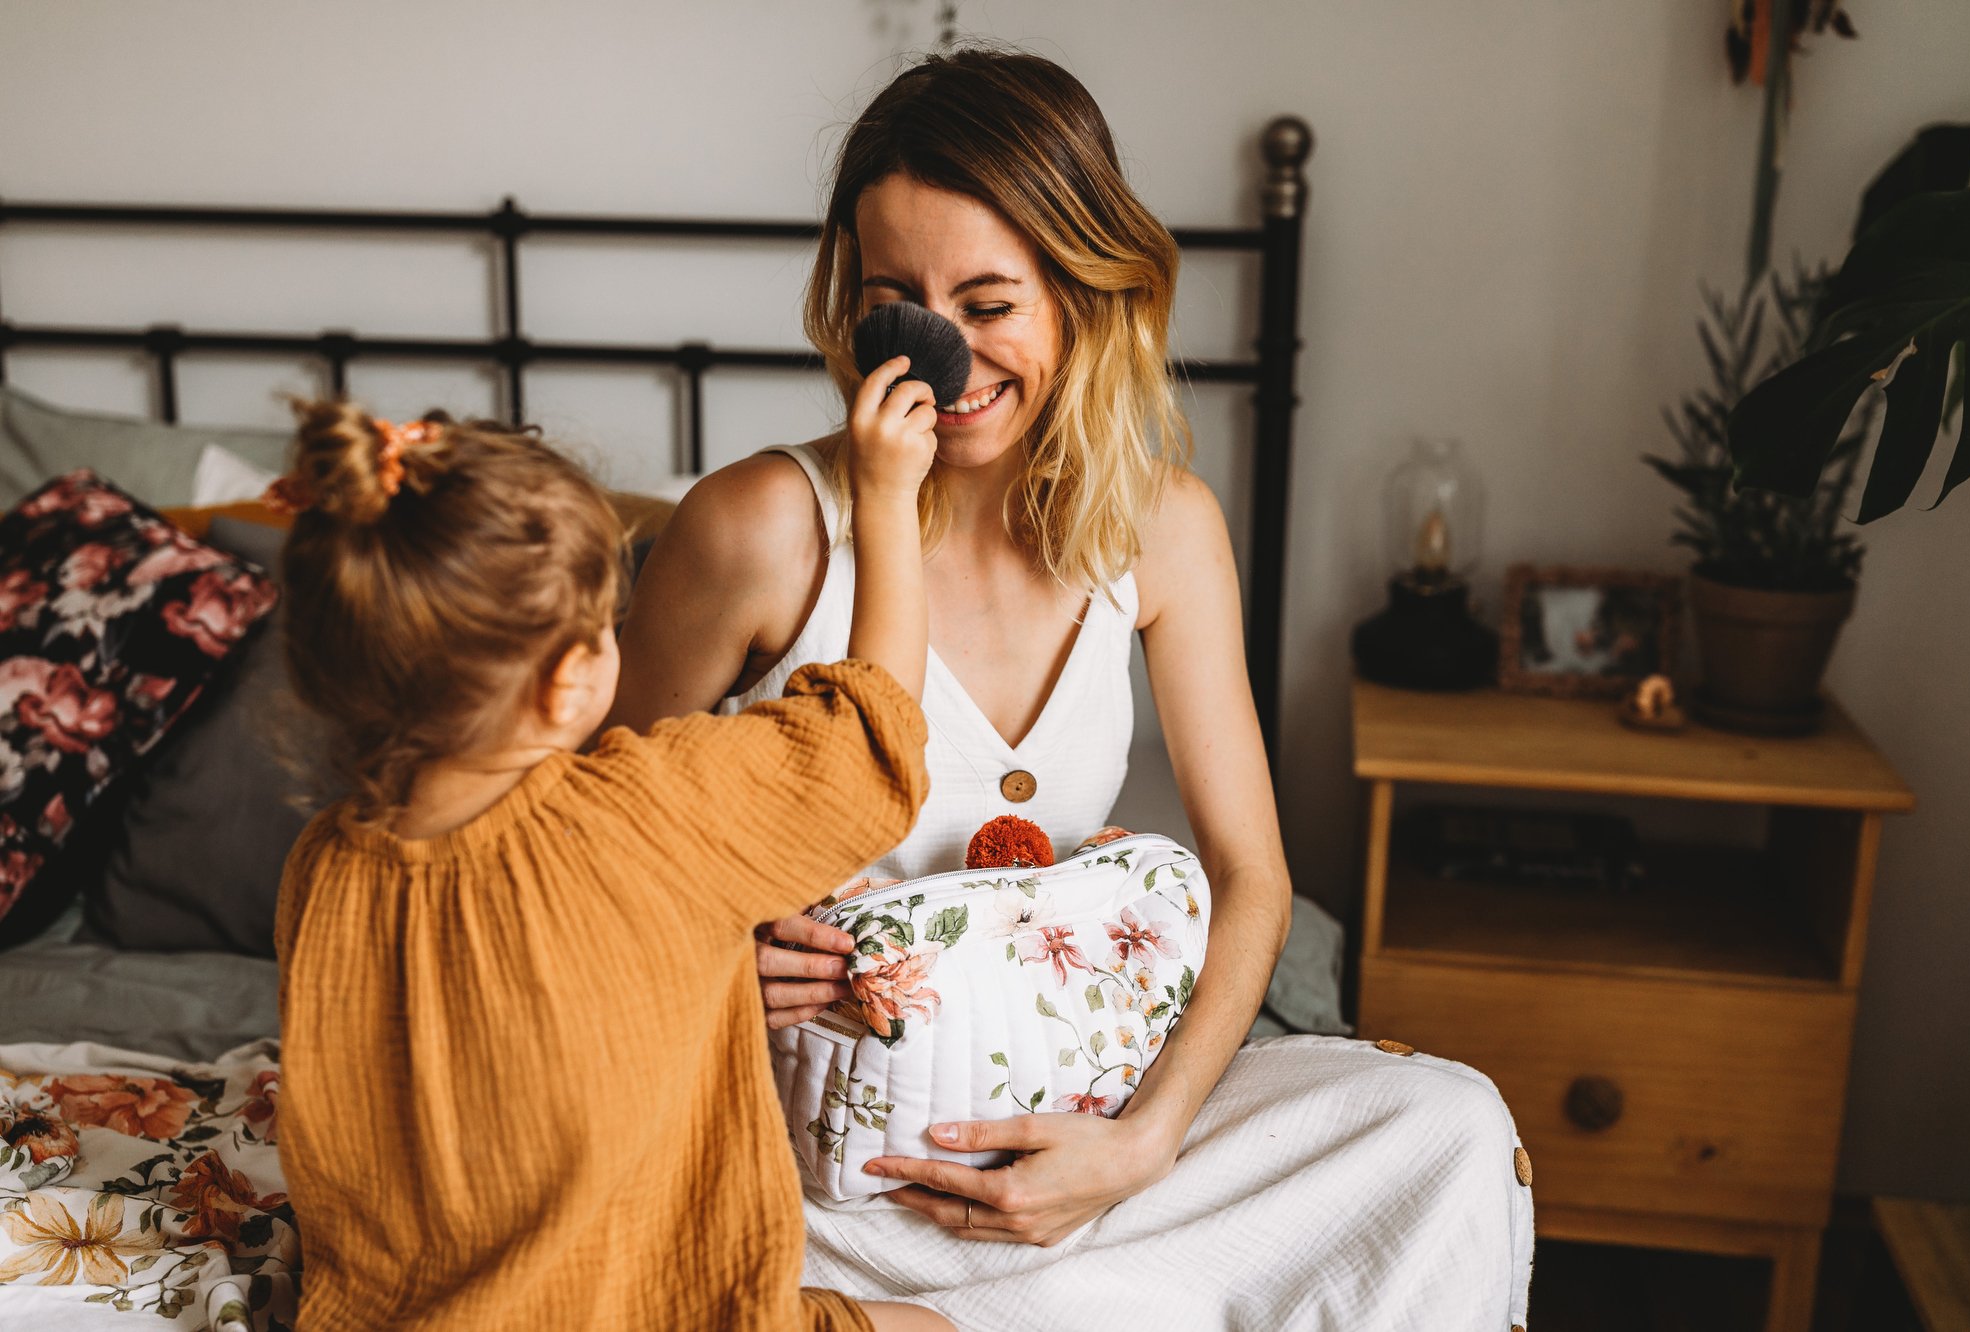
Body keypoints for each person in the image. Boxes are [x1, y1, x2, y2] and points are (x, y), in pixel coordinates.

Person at [611, 48, 1533, 1330]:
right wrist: (718, 951)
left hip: (1089, 1153)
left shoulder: (1161, 530)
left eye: (988, 304)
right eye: (897, 302)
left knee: (1443, 1126)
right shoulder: (763, 527)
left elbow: (1253, 881)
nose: (943, 353)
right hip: (816, 1179)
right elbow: (573, 860)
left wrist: (1143, 1143)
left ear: (1083, 292)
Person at [270, 387, 952, 1331]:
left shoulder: (321, 865)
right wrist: (885, 501)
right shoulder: (647, 810)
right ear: (567, 681)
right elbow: (872, 730)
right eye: (608, 626)